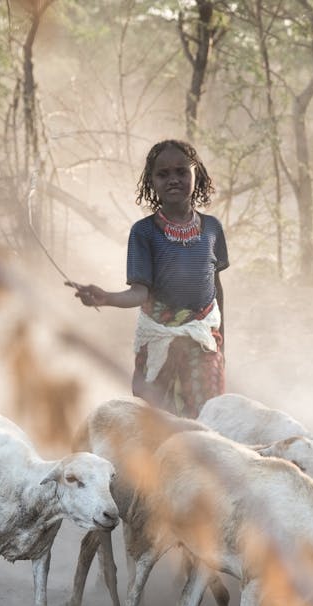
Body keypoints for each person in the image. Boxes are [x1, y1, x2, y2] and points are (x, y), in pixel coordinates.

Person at [70, 139, 229, 418]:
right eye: (163, 174)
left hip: (204, 343)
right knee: (155, 421)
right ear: (151, 182)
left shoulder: (212, 228)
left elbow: (216, 290)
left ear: (197, 175)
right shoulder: (144, 232)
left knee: (209, 420)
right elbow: (140, 293)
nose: (173, 180)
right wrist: (106, 297)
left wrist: (221, 343)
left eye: (181, 171)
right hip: (159, 341)